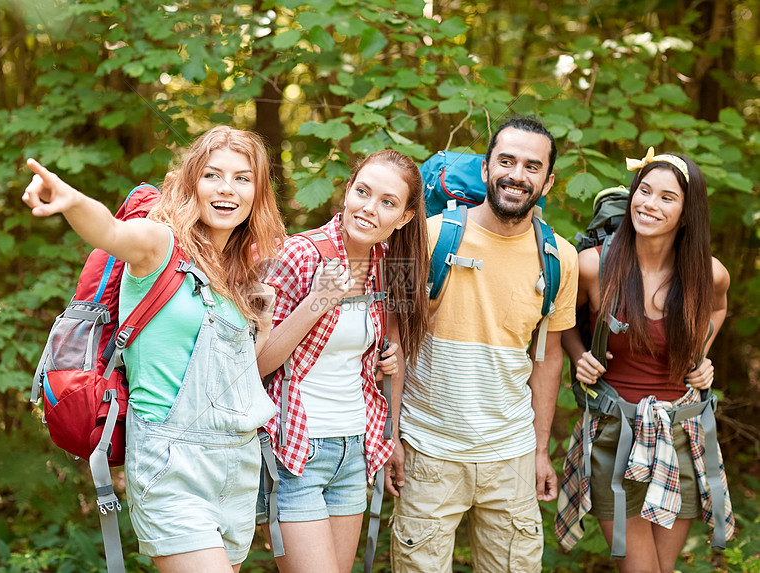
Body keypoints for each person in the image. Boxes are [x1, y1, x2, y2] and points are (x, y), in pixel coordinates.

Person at [22, 126, 286, 573]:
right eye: (213, 175)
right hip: (172, 466)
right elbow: (108, 230)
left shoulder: (240, 274)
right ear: (191, 183)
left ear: (257, 192)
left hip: (238, 466)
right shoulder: (158, 246)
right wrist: (71, 200)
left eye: (243, 178)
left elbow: (244, 376)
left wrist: (260, 321)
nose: (227, 189)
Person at [386, 115, 580, 572]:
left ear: (547, 181)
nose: (517, 174)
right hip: (426, 450)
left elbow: (550, 360)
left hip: (511, 456)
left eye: (532, 166)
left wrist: (539, 451)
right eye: (506, 161)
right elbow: (388, 334)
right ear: (487, 168)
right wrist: (390, 436)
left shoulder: (561, 258)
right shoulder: (427, 235)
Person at [556, 148, 735, 572]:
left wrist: (700, 354)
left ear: (687, 214)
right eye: (644, 191)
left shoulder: (708, 275)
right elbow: (561, 321)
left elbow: (717, 309)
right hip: (614, 435)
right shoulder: (593, 267)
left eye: (666, 197)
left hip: (683, 435)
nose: (649, 204)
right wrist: (580, 356)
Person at [256, 149, 430, 573]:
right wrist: (317, 302)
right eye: (363, 192)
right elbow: (255, 364)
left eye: (388, 202)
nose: (369, 208)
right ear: (348, 191)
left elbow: (396, 349)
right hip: (296, 450)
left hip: (355, 448)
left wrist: (392, 437)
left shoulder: (396, 265)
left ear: (404, 218)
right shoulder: (297, 255)